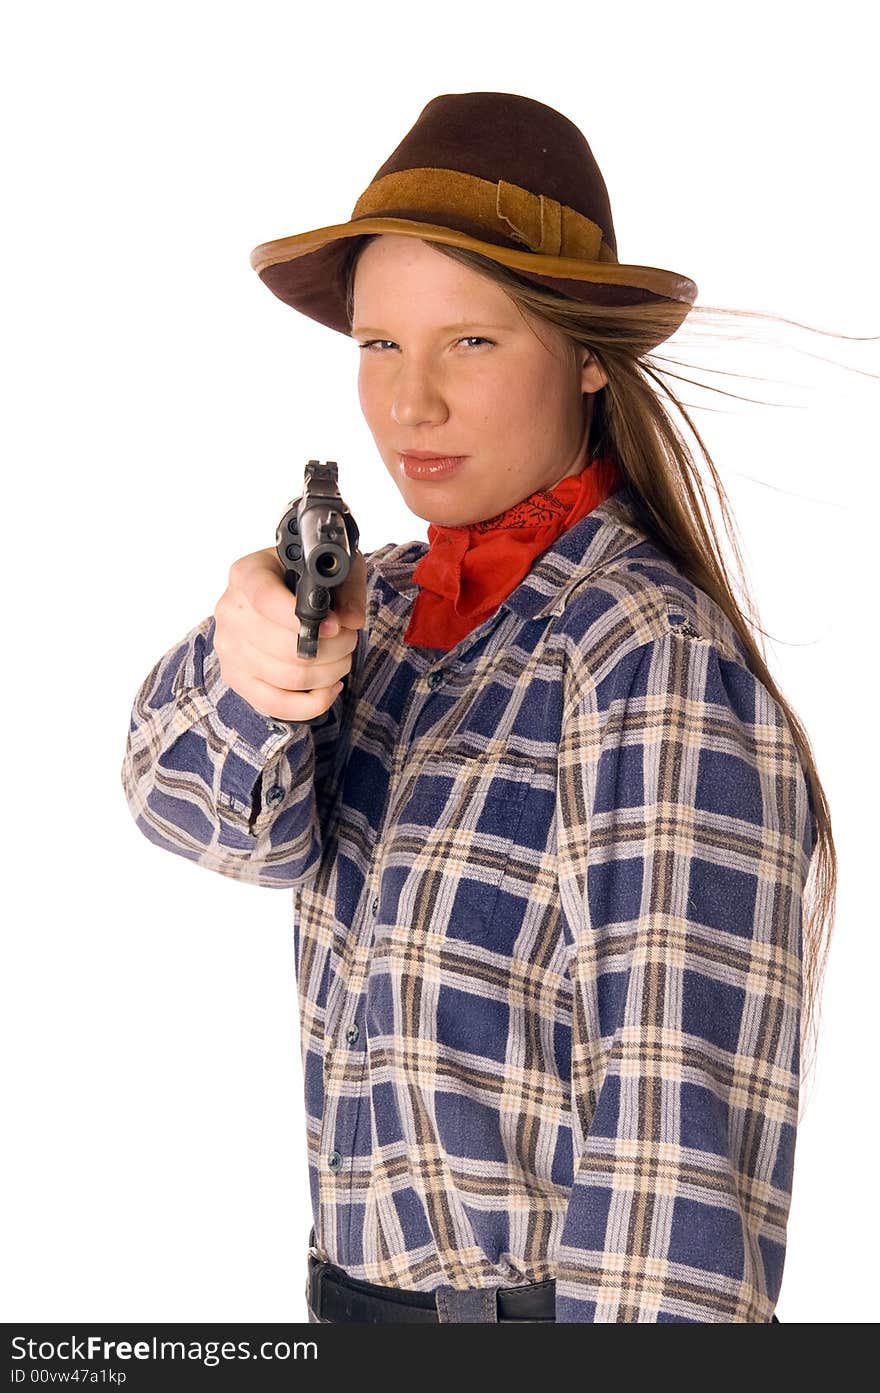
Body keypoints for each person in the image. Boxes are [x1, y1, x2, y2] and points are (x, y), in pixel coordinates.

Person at [120, 91, 834, 1323]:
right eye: (380, 345)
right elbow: (204, 821)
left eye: (473, 343)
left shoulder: (642, 658)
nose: (411, 405)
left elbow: (675, 1166)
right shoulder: (382, 610)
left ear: (590, 354)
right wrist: (251, 664)